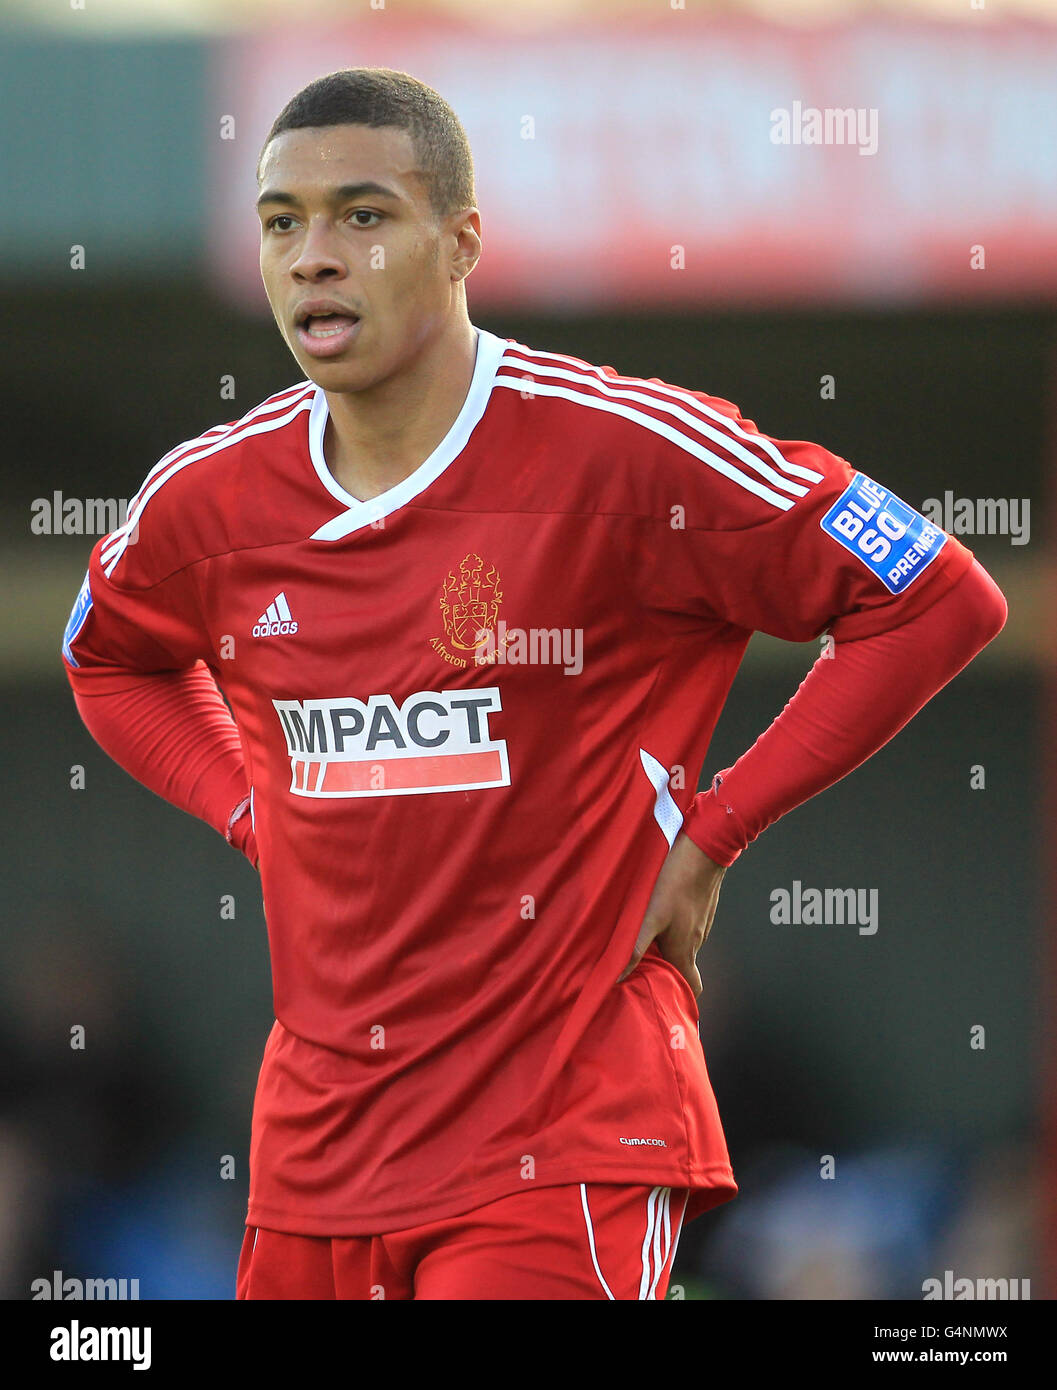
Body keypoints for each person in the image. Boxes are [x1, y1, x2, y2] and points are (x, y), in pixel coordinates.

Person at [62, 67, 1007, 1301]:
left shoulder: (624, 451)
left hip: (563, 1142)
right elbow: (109, 658)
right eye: (281, 222)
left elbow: (935, 595)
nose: (312, 257)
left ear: (460, 242)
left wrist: (714, 829)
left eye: (363, 214)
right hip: (317, 1155)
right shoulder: (208, 501)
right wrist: (253, 808)